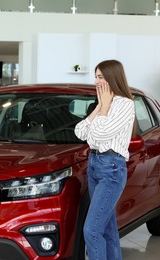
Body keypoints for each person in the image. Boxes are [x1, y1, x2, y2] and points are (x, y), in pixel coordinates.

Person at [74, 59, 135, 260]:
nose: (95, 81)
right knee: (107, 230)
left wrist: (105, 107)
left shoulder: (125, 105)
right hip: (94, 165)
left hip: (111, 169)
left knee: (91, 230)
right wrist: (100, 106)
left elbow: (98, 135)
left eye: (100, 77)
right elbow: (80, 131)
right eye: (96, 76)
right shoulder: (104, 104)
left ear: (112, 78)